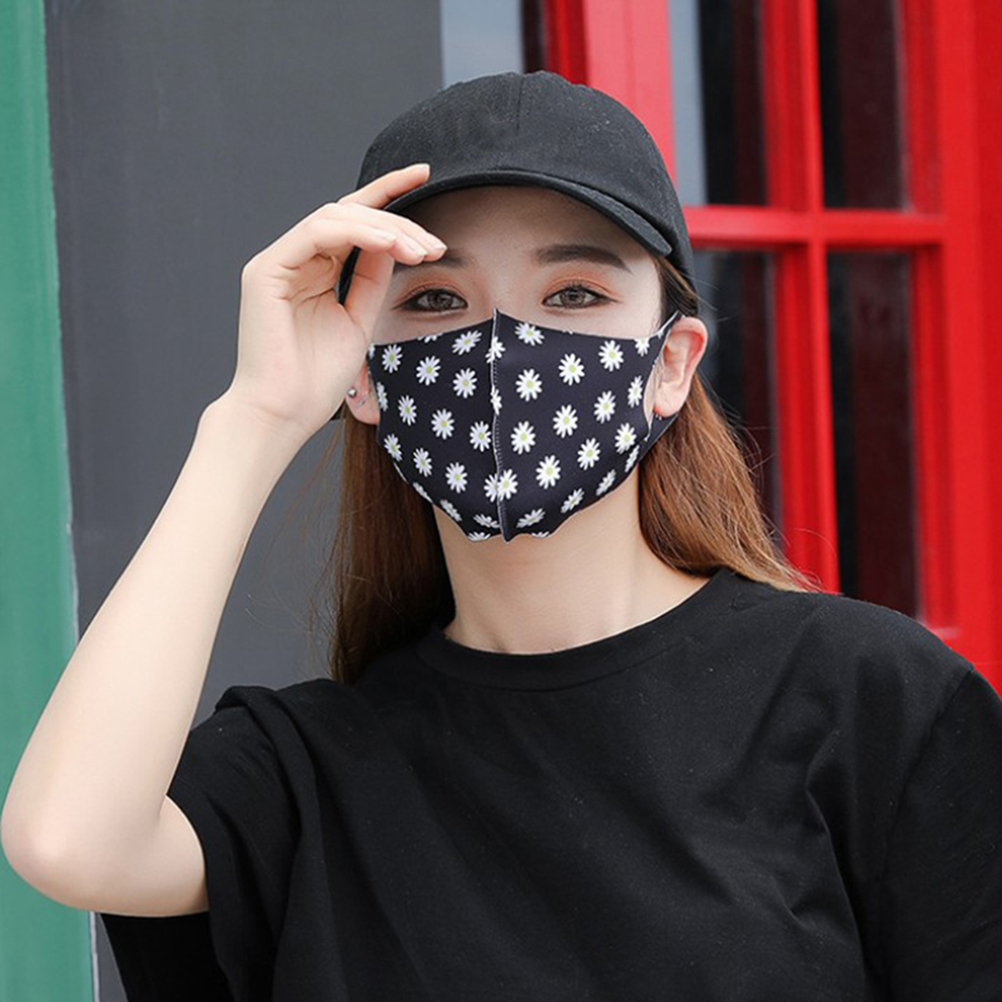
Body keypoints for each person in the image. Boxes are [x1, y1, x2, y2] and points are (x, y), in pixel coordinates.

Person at [3, 70, 1000, 1001]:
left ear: (671, 363)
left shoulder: (870, 701)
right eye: (436, 299)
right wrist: (254, 419)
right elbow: (68, 840)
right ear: (366, 373)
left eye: (575, 294)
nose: (499, 352)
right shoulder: (309, 774)